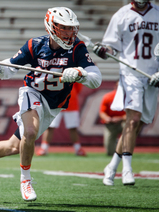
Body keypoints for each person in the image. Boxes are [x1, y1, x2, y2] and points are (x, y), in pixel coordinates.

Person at [0, 7, 102, 202]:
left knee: (14, 147)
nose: (68, 32)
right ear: (51, 27)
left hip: (54, 105)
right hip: (32, 93)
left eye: (71, 28)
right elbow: (8, 69)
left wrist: (82, 74)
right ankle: (25, 180)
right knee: (30, 132)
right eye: (63, 27)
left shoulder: (77, 48)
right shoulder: (35, 45)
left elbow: (96, 78)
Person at [93, 0, 159, 186]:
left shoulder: (157, 13)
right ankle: (127, 170)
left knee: (138, 125)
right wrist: (104, 50)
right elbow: (111, 46)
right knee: (133, 118)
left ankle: (112, 166)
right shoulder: (122, 15)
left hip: (152, 75)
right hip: (130, 73)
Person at [36, 82, 86, 156]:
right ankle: (44, 148)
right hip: (55, 103)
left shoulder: (72, 70)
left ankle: (77, 148)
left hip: (70, 103)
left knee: (73, 127)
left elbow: (78, 87)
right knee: (50, 127)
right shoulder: (55, 70)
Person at [99, 82, 126, 156]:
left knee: (130, 128)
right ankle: (115, 144)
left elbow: (132, 114)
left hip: (123, 122)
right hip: (111, 124)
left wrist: (120, 118)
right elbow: (102, 112)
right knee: (110, 151)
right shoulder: (108, 97)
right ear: (115, 86)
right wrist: (108, 118)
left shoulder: (128, 98)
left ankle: (126, 150)